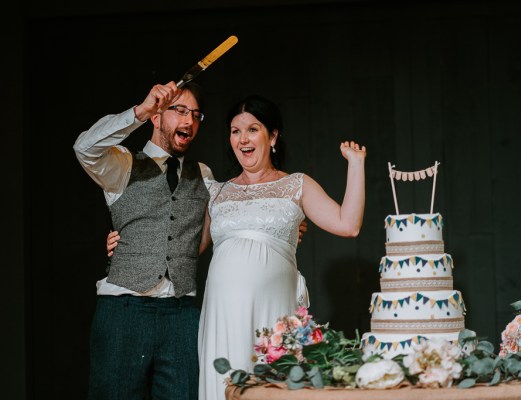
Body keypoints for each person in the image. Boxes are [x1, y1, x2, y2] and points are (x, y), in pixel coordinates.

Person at [196, 95, 366, 400]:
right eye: (235, 131)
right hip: (222, 314)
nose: (243, 138)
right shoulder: (217, 191)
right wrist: (125, 242)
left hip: (272, 312)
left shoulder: (296, 185)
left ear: (272, 136)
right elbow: (188, 248)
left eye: (253, 129)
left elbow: (348, 224)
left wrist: (356, 165)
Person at [73, 81, 212, 400]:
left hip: (181, 316)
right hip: (124, 311)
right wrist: (139, 110)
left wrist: (291, 227)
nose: (188, 121)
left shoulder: (203, 174)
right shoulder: (122, 165)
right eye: (179, 110)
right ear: (157, 117)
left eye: (195, 114)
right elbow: (84, 147)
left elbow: (222, 223)